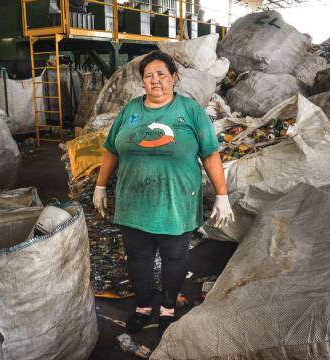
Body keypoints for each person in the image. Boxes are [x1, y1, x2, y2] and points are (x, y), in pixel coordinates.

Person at [92, 51, 234, 336]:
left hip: (176, 202)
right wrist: (100, 185)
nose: (155, 80)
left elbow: (210, 154)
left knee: (174, 258)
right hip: (134, 203)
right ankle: (143, 307)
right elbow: (111, 150)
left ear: (174, 78)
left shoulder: (190, 110)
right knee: (139, 259)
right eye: (148, 76)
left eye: (161, 74)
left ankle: (168, 306)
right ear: (142, 82)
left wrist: (222, 194)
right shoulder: (130, 110)